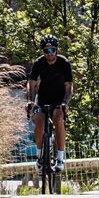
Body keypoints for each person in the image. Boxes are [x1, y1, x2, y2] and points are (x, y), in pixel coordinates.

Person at [27, 34, 73, 172]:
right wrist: (30, 100)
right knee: (40, 120)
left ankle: (60, 157)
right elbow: (31, 83)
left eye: (52, 50)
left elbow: (69, 86)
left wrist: (65, 102)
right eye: (46, 51)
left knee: (58, 118)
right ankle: (39, 156)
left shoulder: (64, 63)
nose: (49, 54)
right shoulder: (39, 63)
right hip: (43, 98)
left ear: (56, 50)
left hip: (59, 99)